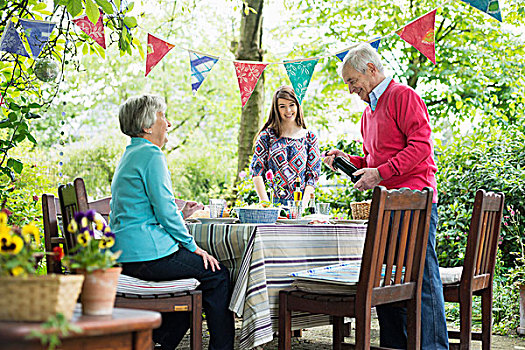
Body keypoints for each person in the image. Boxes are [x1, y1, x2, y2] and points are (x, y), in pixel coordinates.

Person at [324, 43, 449, 350]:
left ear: (371, 69)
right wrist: (348, 160)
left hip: (415, 203)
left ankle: (435, 347)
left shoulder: (404, 96)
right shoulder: (368, 114)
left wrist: (379, 174)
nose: (352, 89)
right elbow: (372, 162)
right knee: (387, 281)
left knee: (421, 279)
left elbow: (421, 148)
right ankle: (396, 346)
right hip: (386, 205)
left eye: (353, 81)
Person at [109, 94, 235, 350]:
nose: (168, 123)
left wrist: (182, 215)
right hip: (147, 256)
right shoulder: (151, 154)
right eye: (162, 116)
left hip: (127, 255)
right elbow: (165, 212)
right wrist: (193, 246)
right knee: (218, 276)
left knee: (193, 282)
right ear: (147, 126)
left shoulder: (131, 154)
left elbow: (146, 209)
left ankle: (157, 343)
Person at [250, 86, 321, 208]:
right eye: (282, 106)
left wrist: (302, 207)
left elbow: (312, 177)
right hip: (272, 204)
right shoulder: (267, 136)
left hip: (300, 205)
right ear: (276, 109)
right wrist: (267, 206)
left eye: (291, 105)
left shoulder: (310, 137)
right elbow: (257, 173)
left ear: (298, 105)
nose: (288, 110)